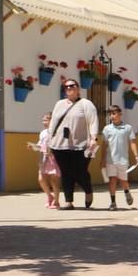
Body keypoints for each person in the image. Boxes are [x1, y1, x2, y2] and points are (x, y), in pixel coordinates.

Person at [48, 77, 99, 210]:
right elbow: (53, 123)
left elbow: (93, 121)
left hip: (80, 144)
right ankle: (69, 201)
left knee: (80, 172)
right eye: (67, 87)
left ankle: (88, 190)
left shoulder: (86, 104)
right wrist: (49, 140)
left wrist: (93, 138)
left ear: (78, 88)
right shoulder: (59, 104)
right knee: (66, 172)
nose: (69, 88)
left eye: (72, 86)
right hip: (59, 144)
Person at [99, 104, 138, 210]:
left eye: (114, 113)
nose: (112, 116)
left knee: (123, 181)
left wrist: (136, 155)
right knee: (112, 180)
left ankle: (127, 192)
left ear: (120, 114)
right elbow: (104, 145)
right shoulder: (107, 129)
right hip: (110, 160)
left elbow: (132, 142)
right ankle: (113, 202)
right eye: (110, 114)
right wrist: (102, 159)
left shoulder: (127, 128)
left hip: (123, 160)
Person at [27, 112, 61, 209]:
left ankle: (57, 201)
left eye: (46, 120)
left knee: (54, 180)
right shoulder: (43, 132)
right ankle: (50, 196)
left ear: (52, 120)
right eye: (43, 120)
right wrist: (33, 147)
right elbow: (40, 146)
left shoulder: (57, 131)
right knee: (41, 179)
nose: (44, 122)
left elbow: (60, 144)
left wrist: (53, 152)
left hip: (54, 158)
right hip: (43, 158)